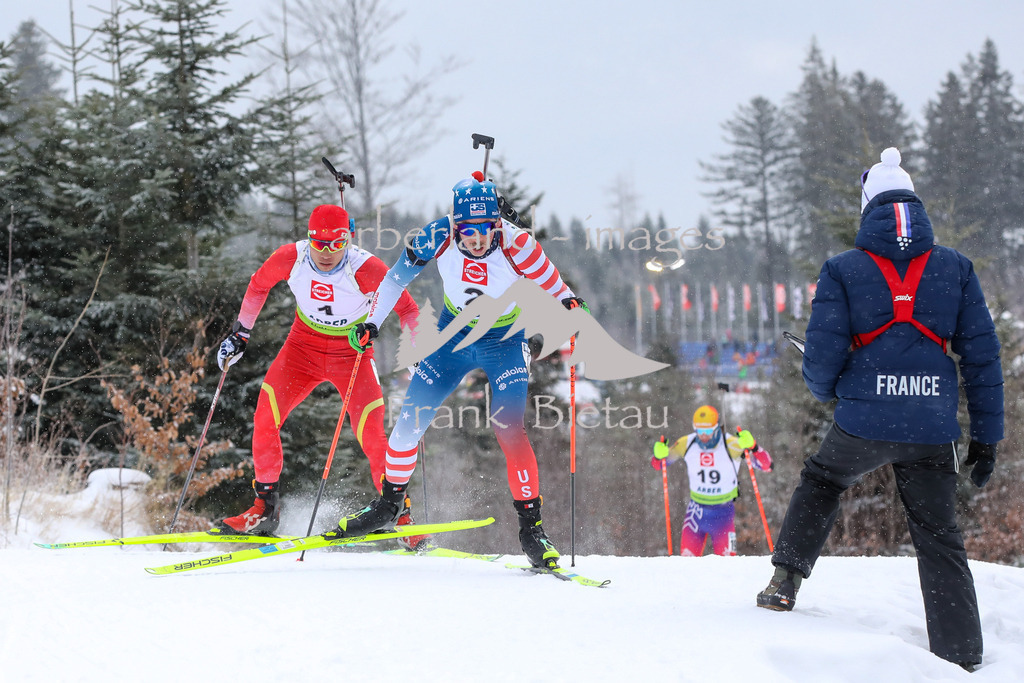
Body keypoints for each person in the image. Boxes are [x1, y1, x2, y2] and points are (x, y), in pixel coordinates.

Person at [755, 148, 1003, 672]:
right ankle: (961, 653)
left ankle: (784, 581)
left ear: (867, 207)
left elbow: (821, 357)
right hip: (932, 428)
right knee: (939, 536)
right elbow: (982, 356)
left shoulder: (843, 269)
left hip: (862, 423)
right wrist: (986, 437)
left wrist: (831, 393)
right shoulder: (955, 268)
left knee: (822, 479)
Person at [322, 172, 588, 569]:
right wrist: (372, 323)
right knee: (408, 424)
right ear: (455, 223)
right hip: (451, 341)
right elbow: (395, 279)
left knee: (508, 429)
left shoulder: (518, 244)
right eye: (467, 230)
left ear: (497, 223)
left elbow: (556, 285)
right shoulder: (437, 235)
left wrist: (572, 308)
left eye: (484, 229)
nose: (476, 239)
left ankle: (532, 531)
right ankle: (388, 506)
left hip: (504, 343)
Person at [215, 204, 419, 537]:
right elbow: (257, 286)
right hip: (301, 349)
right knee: (265, 418)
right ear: (309, 238)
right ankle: (264, 510)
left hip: (351, 352)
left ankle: (399, 513)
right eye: (318, 243)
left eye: (336, 243)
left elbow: (408, 309)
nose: (326, 252)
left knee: (372, 433)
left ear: (347, 240)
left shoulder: (366, 268)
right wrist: (241, 332)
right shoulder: (290, 258)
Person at [651, 404, 772, 556]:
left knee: (727, 569)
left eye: (708, 430)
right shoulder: (686, 443)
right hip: (695, 514)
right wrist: (658, 455)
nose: (704, 435)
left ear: (716, 427)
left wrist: (754, 447)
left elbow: (767, 466)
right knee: (686, 566)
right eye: (699, 430)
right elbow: (658, 465)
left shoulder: (732, 445)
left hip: (723, 515)